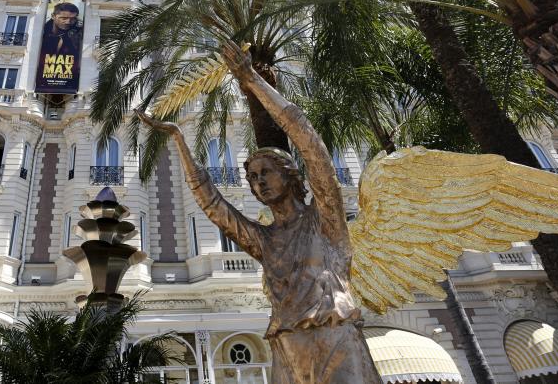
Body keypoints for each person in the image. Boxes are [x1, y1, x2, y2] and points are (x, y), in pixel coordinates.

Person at [136, 41, 380, 384]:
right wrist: (178, 138)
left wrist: (251, 80)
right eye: (252, 177)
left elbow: (309, 142)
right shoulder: (266, 239)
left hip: (335, 338)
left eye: (266, 172)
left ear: (290, 173)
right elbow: (213, 206)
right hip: (286, 346)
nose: (258, 182)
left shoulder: (324, 219)